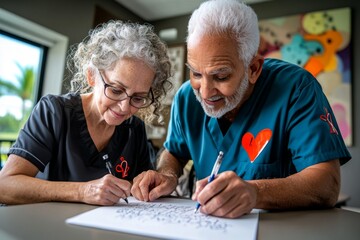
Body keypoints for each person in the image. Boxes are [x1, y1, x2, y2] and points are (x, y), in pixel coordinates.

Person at [131, 0, 352, 218]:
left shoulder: (297, 89)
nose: (205, 93)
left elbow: (327, 185)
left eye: (221, 76)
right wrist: (167, 174)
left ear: (253, 69)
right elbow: (174, 152)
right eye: (196, 73)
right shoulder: (187, 97)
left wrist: (255, 192)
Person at [0, 20, 172, 205]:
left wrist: (154, 182)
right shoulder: (54, 112)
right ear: (92, 75)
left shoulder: (134, 128)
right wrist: (82, 191)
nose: (124, 108)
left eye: (137, 98)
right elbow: (5, 186)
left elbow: (141, 188)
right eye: (115, 90)